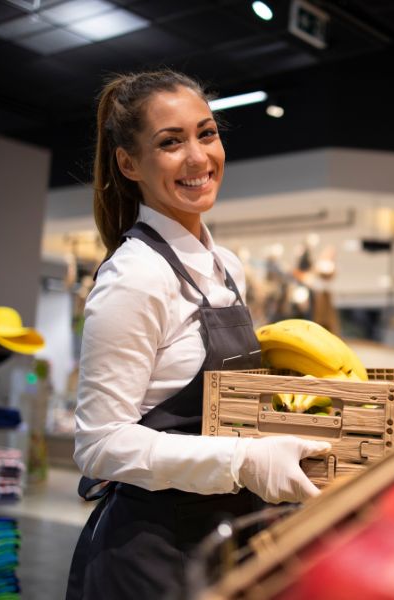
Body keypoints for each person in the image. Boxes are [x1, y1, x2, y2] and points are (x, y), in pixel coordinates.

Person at [65, 70, 330, 600]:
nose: (197, 157)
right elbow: (99, 444)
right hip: (150, 557)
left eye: (206, 134)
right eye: (170, 142)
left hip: (225, 540)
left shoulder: (227, 266)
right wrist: (243, 461)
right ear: (128, 163)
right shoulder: (135, 277)